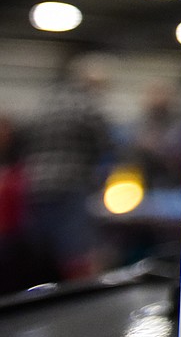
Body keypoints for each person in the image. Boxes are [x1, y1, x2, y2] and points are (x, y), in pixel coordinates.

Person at [19, 54, 115, 280]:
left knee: (43, 247)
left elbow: (24, 140)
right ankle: (78, 298)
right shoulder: (87, 105)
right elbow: (105, 144)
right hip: (71, 185)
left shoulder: (45, 103)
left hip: (35, 185)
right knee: (76, 250)